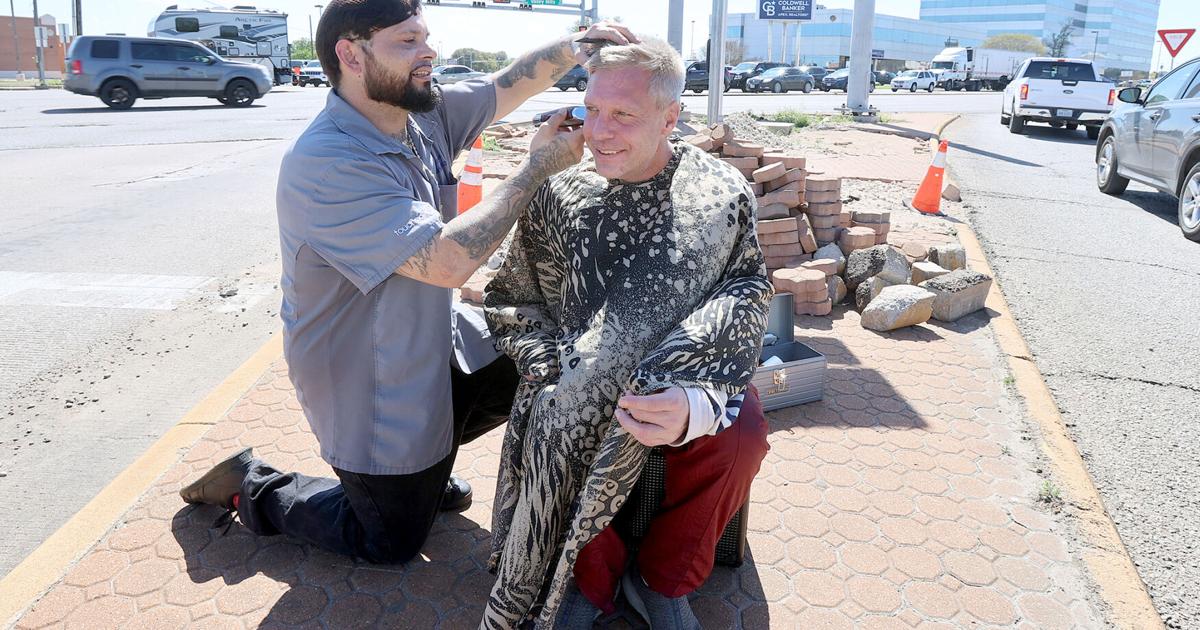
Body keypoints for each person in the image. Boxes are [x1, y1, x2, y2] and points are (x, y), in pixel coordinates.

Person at [178, 0, 634, 566]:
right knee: (390, 543)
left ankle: (424, 468)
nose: (430, 53)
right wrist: (537, 167)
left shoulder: (418, 113)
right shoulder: (327, 162)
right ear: (351, 54)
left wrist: (577, 46)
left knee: (545, 363)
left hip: (431, 337)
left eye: (426, 37)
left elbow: (502, 87)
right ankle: (255, 486)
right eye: (407, 42)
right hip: (369, 380)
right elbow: (445, 262)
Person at [481, 38, 773, 629]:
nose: (600, 131)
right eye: (591, 111)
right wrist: (549, 365)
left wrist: (694, 400)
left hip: (685, 381)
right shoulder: (561, 195)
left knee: (743, 432)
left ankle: (660, 582)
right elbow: (512, 297)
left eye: (623, 115)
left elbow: (747, 289)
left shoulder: (719, 195)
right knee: (573, 420)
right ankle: (587, 583)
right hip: (573, 385)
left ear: (670, 117)